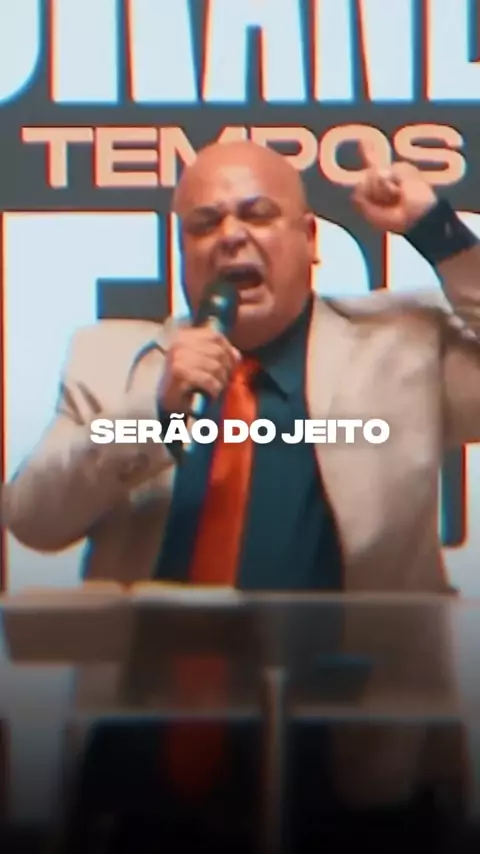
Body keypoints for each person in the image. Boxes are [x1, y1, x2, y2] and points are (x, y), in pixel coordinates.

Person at [4, 139, 480, 851]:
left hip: (361, 777)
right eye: (205, 224)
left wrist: (437, 231)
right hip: (147, 782)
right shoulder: (111, 362)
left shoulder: (400, 347)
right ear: (183, 252)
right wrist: (153, 413)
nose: (231, 236)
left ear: (310, 240)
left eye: (257, 215)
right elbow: (34, 517)